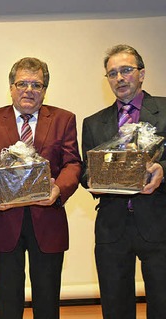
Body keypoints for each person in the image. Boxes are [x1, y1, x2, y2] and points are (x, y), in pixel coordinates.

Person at [0, 57, 81, 319]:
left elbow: (73, 163)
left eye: (36, 85)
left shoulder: (64, 119)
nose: (29, 90)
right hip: (4, 220)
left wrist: (58, 190)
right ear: (11, 87)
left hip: (48, 220)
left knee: (47, 303)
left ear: (45, 89)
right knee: (8, 305)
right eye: (22, 83)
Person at [81, 45, 166, 319]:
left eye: (126, 70)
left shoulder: (165, 110)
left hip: (160, 223)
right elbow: (85, 171)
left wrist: (162, 169)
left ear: (141, 74)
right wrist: (91, 179)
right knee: (115, 307)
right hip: (112, 228)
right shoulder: (93, 123)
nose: (120, 78)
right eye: (112, 73)